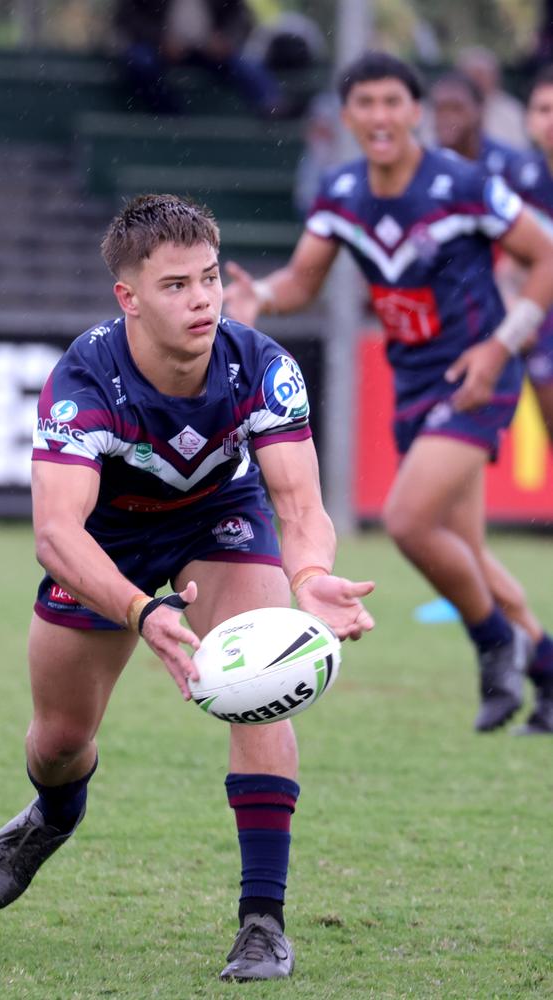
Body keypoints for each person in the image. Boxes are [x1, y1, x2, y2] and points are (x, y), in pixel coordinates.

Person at [0, 194, 375, 981]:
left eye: (211, 278)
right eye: (177, 285)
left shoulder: (261, 365)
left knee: (262, 677)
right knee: (58, 742)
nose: (203, 300)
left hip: (219, 517)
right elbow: (57, 534)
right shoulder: (83, 378)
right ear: (129, 298)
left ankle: (263, 921)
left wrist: (312, 576)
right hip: (106, 541)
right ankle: (51, 816)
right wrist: (137, 608)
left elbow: (296, 503)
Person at [223, 50, 553, 736]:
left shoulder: (463, 182)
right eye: (364, 104)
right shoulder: (343, 192)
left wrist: (500, 346)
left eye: (392, 102)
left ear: (415, 112)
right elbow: (302, 281)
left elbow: (545, 253)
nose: (379, 116)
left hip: (474, 379)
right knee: (466, 550)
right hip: (414, 387)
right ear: (347, 116)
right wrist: (261, 297)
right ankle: (544, 670)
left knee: (407, 522)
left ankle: (495, 645)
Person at [500, 64, 553, 446]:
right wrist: (516, 309)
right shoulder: (517, 179)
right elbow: (508, 265)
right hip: (542, 324)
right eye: (543, 110)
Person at [114, 0, 286, 117]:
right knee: (139, 62)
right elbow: (127, 18)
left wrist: (225, 41)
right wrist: (160, 40)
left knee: (245, 64)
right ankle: (169, 114)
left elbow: (241, 17)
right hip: (158, 48)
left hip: (208, 49)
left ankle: (272, 104)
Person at [430, 70, 522, 178]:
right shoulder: (421, 165)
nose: (446, 117)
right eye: (439, 109)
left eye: (456, 108)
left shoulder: (510, 163)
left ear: (479, 109)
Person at [456, 46, 529, 149]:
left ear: (495, 77)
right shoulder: (443, 109)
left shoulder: (512, 111)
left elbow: (522, 150)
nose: (477, 81)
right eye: (471, 74)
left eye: (482, 75)